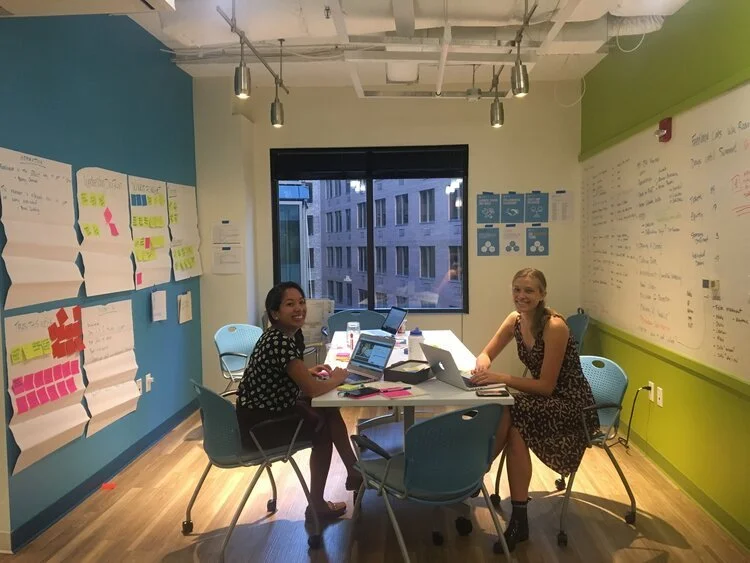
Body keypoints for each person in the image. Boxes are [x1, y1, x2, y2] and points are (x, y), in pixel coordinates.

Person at [470, 268, 598, 549]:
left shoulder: (555, 326)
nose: (521, 296)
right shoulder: (514, 320)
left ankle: (473, 474)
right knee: (514, 424)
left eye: (529, 290)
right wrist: (482, 366)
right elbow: (487, 352)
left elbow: (547, 387)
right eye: (517, 289)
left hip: (572, 404)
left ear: (542, 294)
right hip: (544, 401)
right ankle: (518, 519)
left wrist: (499, 377)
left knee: (508, 407)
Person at [236, 281, 362, 521]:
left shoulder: (281, 336)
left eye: (302, 302)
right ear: (275, 313)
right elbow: (312, 390)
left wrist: (307, 372)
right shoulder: (281, 341)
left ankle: (353, 471)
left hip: (263, 414)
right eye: (290, 304)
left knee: (328, 411)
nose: (299, 309)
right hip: (260, 428)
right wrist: (337, 378)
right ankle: (318, 505)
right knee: (322, 429)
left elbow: (285, 374)